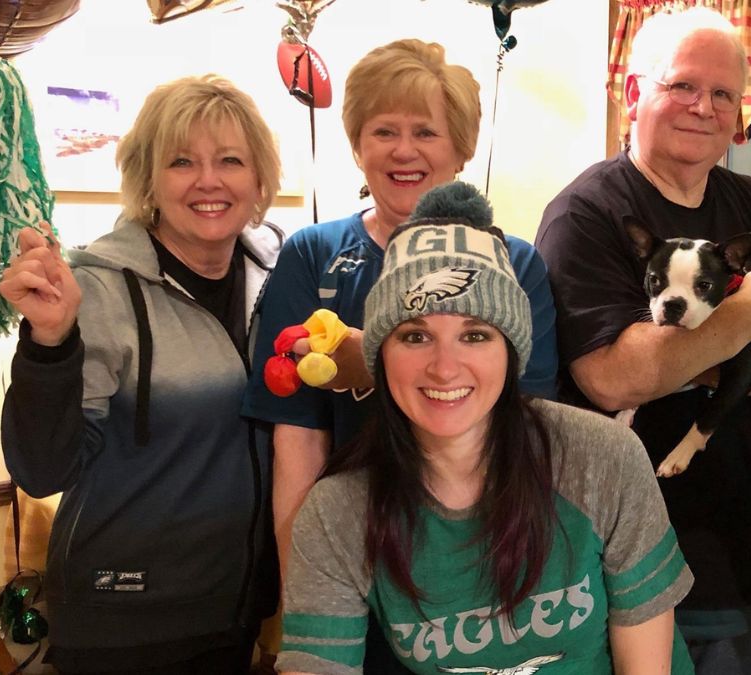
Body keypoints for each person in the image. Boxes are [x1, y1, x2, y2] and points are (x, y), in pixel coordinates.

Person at [276, 182, 694, 674]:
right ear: (380, 355)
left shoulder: (602, 457)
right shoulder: (338, 512)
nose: (445, 368)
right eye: (415, 336)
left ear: (511, 351)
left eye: (475, 335)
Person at [534, 7, 751, 674]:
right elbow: (615, 375)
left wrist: (713, 359)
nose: (702, 107)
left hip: (736, 534)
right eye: (681, 85)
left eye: (721, 94)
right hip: (615, 543)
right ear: (633, 94)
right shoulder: (588, 213)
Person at [0, 74, 282, 673]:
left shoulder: (277, 278)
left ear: (258, 179)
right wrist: (50, 342)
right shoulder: (97, 289)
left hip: (236, 608)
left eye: (230, 160)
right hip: (122, 621)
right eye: (182, 161)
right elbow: (43, 469)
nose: (209, 181)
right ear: (148, 179)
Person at [241, 38, 558, 576]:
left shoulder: (514, 264)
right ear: (358, 146)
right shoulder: (313, 255)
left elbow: (527, 423)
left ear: (461, 148)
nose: (403, 151)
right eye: (384, 131)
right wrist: (301, 580)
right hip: (346, 543)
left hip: (474, 546)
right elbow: (298, 435)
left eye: (425, 132)